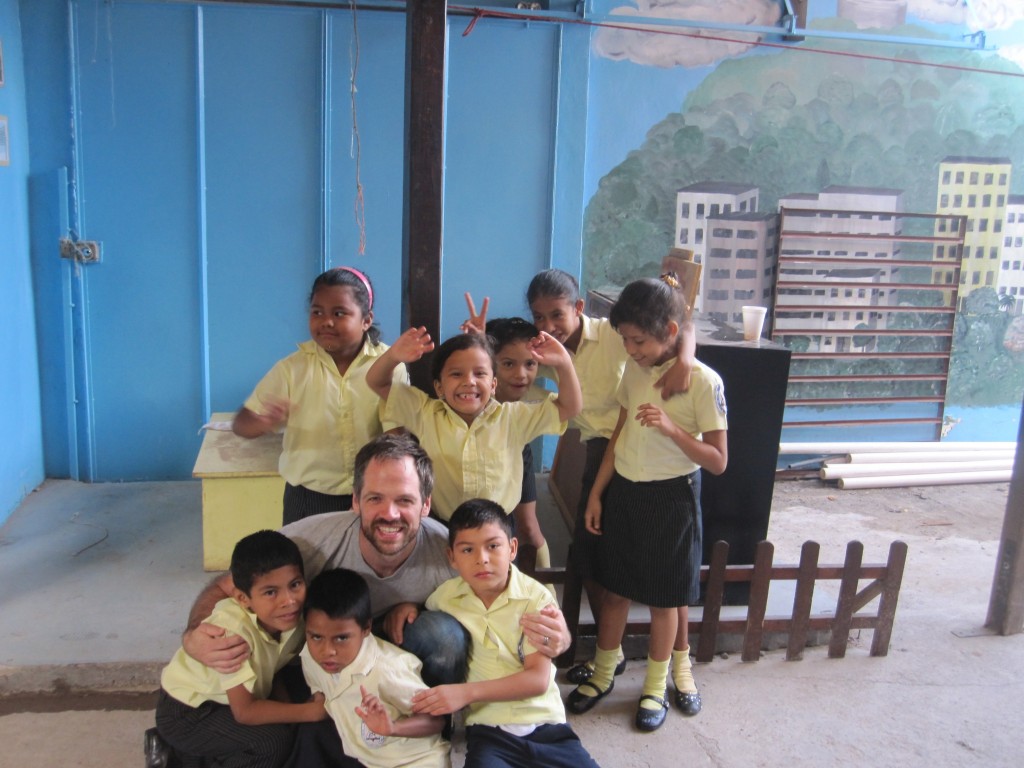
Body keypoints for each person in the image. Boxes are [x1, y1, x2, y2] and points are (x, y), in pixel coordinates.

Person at [182, 433, 571, 689]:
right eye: (375, 499)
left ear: (426, 505)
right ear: (355, 501)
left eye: (404, 500)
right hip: (327, 647)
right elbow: (225, 585)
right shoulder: (310, 540)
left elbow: (515, 592)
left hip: (403, 647)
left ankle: (435, 724)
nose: (390, 514)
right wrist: (195, 634)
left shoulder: (452, 550)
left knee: (444, 637)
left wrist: (561, 636)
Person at [565, 274, 727, 732]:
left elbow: (717, 461)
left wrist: (673, 430)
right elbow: (619, 432)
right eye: (625, 340)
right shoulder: (636, 370)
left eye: (637, 340)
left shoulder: (702, 381)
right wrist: (598, 491)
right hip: (626, 491)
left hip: (671, 497)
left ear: (670, 333)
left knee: (662, 600)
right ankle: (602, 673)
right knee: (614, 588)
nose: (630, 349)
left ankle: (656, 685)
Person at [526, 268, 697, 685]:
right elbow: (505, 356)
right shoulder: (545, 348)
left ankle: (681, 663)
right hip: (603, 451)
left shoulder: (618, 336)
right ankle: (611, 654)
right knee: (595, 558)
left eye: (556, 315)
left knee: (669, 572)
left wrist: (687, 357)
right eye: (538, 317)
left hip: (653, 449)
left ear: (578, 308)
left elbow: (680, 329)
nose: (548, 326)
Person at [411, 499, 602, 768]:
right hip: (489, 733)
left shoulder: (535, 598)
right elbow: (421, 620)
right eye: (467, 549)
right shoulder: (445, 597)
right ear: (452, 557)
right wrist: (406, 607)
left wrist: (464, 693)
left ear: (512, 548)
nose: (482, 559)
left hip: (547, 727)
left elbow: (537, 680)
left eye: (493, 546)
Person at [232, 266, 405, 524]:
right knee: (307, 563)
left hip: (372, 493)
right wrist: (262, 422)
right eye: (317, 312)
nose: (326, 321)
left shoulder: (391, 364)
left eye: (339, 313)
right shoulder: (292, 369)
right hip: (307, 496)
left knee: (365, 563)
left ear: (366, 320)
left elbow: (398, 435)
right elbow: (241, 425)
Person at [364, 326, 582, 523]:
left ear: (493, 384)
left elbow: (570, 407)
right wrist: (393, 356)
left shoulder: (514, 418)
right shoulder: (424, 413)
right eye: (456, 374)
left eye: (480, 373)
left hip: (499, 527)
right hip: (442, 524)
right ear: (439, 387)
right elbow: (376, 381)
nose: (469, 381)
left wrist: (564, 362)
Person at [153, 530, 326, 768]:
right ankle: (176, 757)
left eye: (295, 584)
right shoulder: (232, 632)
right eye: (270, 592)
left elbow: (272, 667)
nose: (289, 600)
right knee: (270, 743)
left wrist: (291, 712)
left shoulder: (291, 621)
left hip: (227, 700)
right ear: (243, 599)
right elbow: (245, 712)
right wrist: (309, 712)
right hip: (188, 712)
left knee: (289, 726)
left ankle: (186, 754)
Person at [298, 568, 450, 768]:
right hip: (368, 759)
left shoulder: (387, 669)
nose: (327, 651)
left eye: (342, 638)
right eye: (316, 636)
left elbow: (436, 720)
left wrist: (393, 727)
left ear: (366, 628)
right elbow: (321, 696)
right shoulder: (310, 656)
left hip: (417, 762)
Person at [484, 315, 552, 571]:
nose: (520, 374)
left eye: (530, 364)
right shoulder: (472, 395)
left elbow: (572, 402)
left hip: (518, 451)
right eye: (508, 364)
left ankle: (549, 600)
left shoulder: (533, 396)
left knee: (529, 527)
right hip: (483, 455)